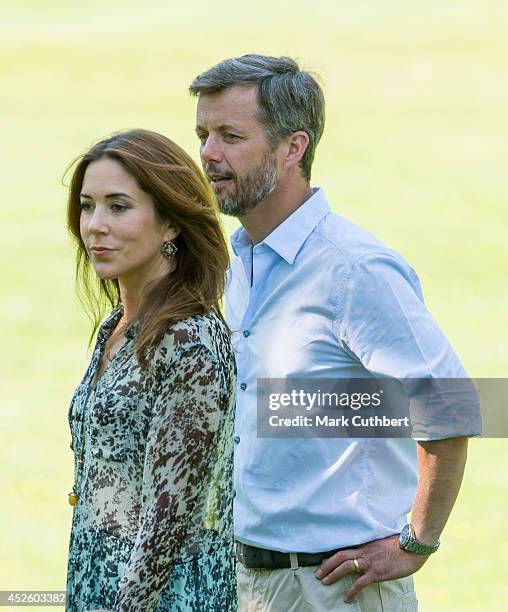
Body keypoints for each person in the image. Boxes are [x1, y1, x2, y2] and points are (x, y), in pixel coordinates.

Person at [189, 55, 481, 611]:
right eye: (203, 134)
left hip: (336, 589)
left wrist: (416, 542)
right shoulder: (237, 263)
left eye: (230, 135)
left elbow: (451, 405)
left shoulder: (354, 270)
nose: (207, 154)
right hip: (248, 580)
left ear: (292, 147)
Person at [65, 129, 237, 611]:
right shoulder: (115, 328)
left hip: (165, 599)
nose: (96, 225)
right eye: (87, 205)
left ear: (171, 224)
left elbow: (167, 526)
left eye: (118, 207)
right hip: (97, 582)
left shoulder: (190, 341)